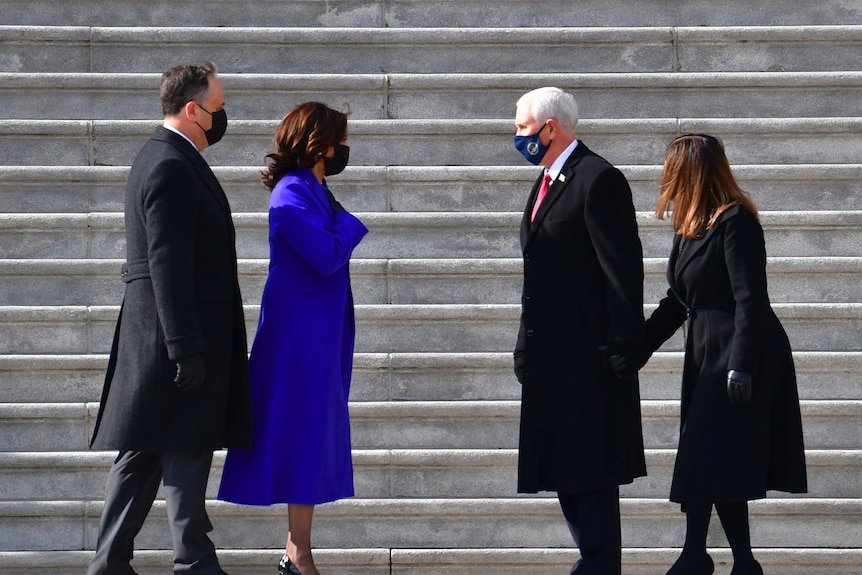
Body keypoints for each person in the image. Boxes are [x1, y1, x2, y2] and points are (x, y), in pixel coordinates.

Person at [87, 62, 252, 575]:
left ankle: (110, 564)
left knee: (144, 455)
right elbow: (167, 263)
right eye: (218, 109)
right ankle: (195, 564)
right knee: (184, 449)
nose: (222, 118)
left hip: (163, 338)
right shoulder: (169, 164)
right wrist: (185, 347)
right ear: (192, 109)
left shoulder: (165, 158)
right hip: (173, 340)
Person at [636, 134, 808, 575]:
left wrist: (741, 365)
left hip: (740, 352)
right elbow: (677, 301)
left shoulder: (736, 222)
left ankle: (696, 557)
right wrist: (636, 349)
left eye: (671, 168)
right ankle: (741, 563)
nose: (665, 177)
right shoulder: (692, 227)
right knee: (717, 458)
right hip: (706, 351)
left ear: (690, 171)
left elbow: (751, 299)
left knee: (703, 454)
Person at [217, 102, 368, 575]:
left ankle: (295, 550)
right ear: (319, 145)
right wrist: (348, 222)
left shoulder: (313, 188)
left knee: (310, 436)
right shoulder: (290, 194)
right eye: (340, 140)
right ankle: (299, 554)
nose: (345, 149)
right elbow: (326, 255)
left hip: (317, 335)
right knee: (302, 435)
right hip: (298, 342)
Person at [512, 86, 647, 575]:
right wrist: (524, 344)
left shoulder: (598, 178)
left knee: (589, 484)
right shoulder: (547, 180)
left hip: (587, 366)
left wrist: (623, 344)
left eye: (523, 127)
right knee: (569, 480)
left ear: (551, 128)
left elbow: (622, 271)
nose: (517, 136)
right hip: (553, 362)